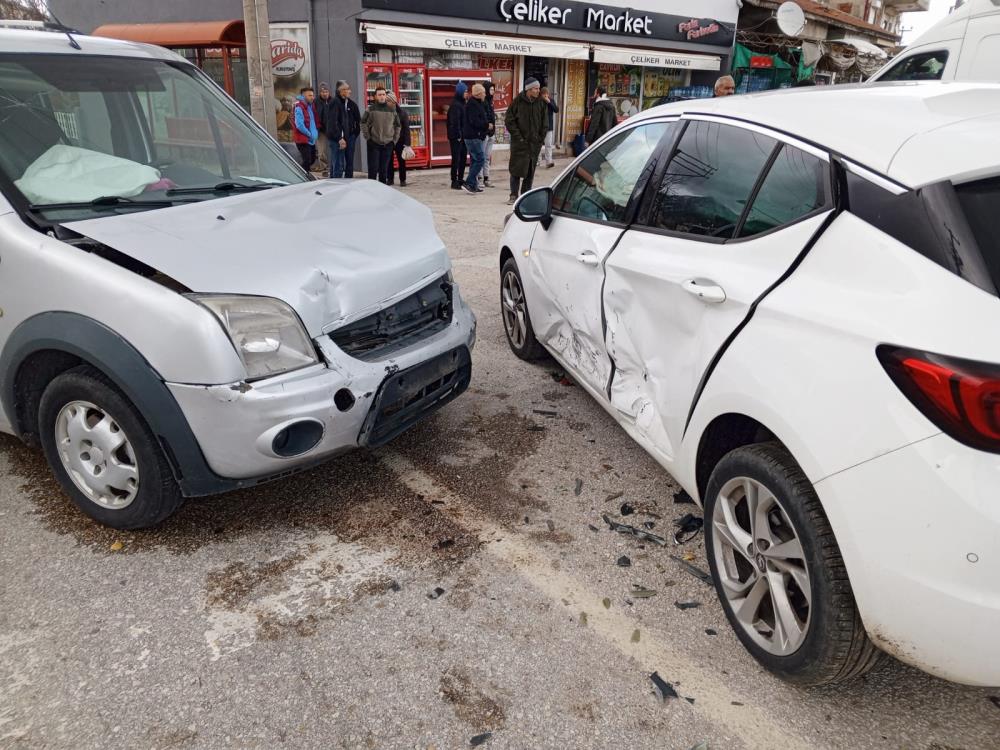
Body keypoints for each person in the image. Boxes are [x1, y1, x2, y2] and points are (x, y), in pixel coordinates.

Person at [504, 77, 547, 205]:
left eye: (539, 88)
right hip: (519, 143)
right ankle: (513, 195)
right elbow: (509, 120)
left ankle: (525, 196)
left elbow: (545, 123)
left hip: (534, 144)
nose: (538, 91)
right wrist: (518, 137)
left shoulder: (542, 103)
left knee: (530, 171)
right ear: (528, 89)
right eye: (535, 88)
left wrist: (540, 139)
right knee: (516, 170)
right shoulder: (517, 102)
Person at [361, 85, 401, 184]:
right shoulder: (370, 109)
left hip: (388, 144)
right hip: (374, 143)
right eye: (379, 95)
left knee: (384, 170)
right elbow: (363, 122)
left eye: (383, 94)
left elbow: (398, 126)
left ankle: (381, 192)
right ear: (375, 96)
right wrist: (368, 138)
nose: (382, 97)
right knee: (373, 169)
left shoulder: (392, 110)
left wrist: (394, 141)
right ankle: (371, 191)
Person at [327, 80, 362, 179]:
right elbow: (333, 123)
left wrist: (354, 135)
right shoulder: (335, 102)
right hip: (337, 139)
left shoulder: (343, 103)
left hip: (345, 137)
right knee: (338, 165)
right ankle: (336, 187)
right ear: (341, 91)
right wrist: (340, 138)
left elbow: (356, 121)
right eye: (347, 89)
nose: (350, 91)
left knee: (338, 164)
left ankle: (339, 184)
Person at [461, 83, 489, 195]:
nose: (485, 95)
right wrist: (486, 125)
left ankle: (473, 184)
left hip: (474, 135)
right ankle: (469, 182)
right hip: (473, 136)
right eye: (483, 92)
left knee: (475, 160)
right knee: (480, 159)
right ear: (478, 94)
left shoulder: (477, 103)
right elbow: (474, 121)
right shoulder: (472, 105)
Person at [385, 90, 410, 187]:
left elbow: (407, 129)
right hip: (389, 140)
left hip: (400, 141)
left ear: (393, 101)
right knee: (389, 161)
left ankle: (402, 180)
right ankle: (390, 179)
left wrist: (407, 144)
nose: (386, 103)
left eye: (388, 101)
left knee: (401, 161)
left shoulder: (403, 113)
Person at [292, 86, 319, 172]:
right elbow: (299, 125)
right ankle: (303, 178)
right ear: (303, 96)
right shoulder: (299, 107)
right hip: (303, 139)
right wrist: (309, 134)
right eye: (310, 95)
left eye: (312, 95)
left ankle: (301, 173)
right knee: (307, 161)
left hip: (311, 139)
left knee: (312, 159)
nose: (312, 97)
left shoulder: (310, 106)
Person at [447, 82, 468, 190]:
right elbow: (455, 122)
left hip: (463, 136)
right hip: (456, 137)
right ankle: (454, 180)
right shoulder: (455, 105)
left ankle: (460, 178)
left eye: (467, 91)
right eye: (465, 91)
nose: (466, 93)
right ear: (460, 92)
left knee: (463, 158)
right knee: (456, 158)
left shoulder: (463, 103)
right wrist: (459, 135)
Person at [478, 81, 497, 189]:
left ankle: (486, 177)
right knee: (481, 157)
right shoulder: (483, 102)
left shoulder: (490, 102)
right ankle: (480, 178)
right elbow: (484, 118)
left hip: (491, 134)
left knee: (487, 157)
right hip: (485, 134)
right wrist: (486, 130)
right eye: (490, 90)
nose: (492, 92)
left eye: (493, 90)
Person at [538, 86, 560, 169]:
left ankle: (549, 161)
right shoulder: (539, 101)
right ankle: (537, 161)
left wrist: (549, 102)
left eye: (547, 94)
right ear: (541, 95)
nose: (546, 96)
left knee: (548, 145)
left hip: (549, 127)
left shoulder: (551, 100)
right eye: (544, 95)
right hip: (539, 127)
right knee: (538, 144)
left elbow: (556, 110)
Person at [315, 82, 333, 175]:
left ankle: (334, 167)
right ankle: (323, 167)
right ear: (320, 93)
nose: (324, 93)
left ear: (329, 92)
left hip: (332, 129)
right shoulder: (316, 101)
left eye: (326, 91)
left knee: (334, 148)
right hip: (321, 130)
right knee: (321, 151)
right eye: (322, 92)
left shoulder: (333, 101)